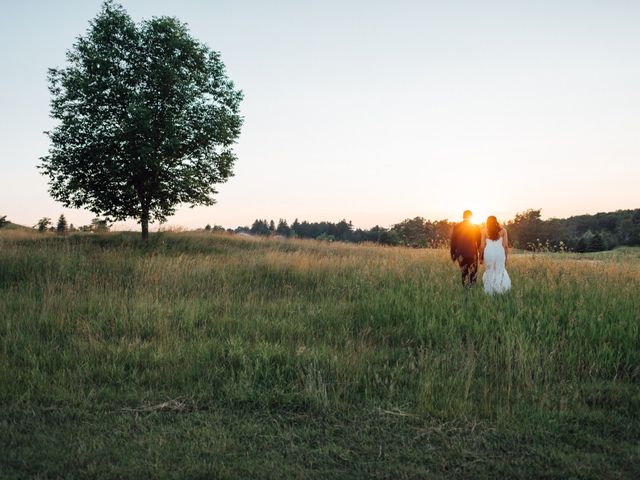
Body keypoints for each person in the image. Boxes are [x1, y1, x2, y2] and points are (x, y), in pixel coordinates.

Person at [450, 210, 482, 287]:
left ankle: (465, 289)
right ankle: (472, 289)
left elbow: (453, 242)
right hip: (472, 253)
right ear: (471, 216)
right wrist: (479, 253)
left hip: (461, 254)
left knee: (464, 273)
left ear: (463, 216)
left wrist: (453, 254)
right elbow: (479, 242)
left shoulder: (457, 226)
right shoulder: (476, 227)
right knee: (473, 273)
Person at [480, 216, 511, 294]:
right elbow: (506, 245)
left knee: (489, 270)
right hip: (499, 253)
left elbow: (482, 246)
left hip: (488, 253)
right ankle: (500, 290)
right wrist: (506, 257)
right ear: (496, 221)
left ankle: (489, 291)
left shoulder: (484, 231)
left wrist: (480, 257)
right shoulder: (503, 231)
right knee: (500, 270)